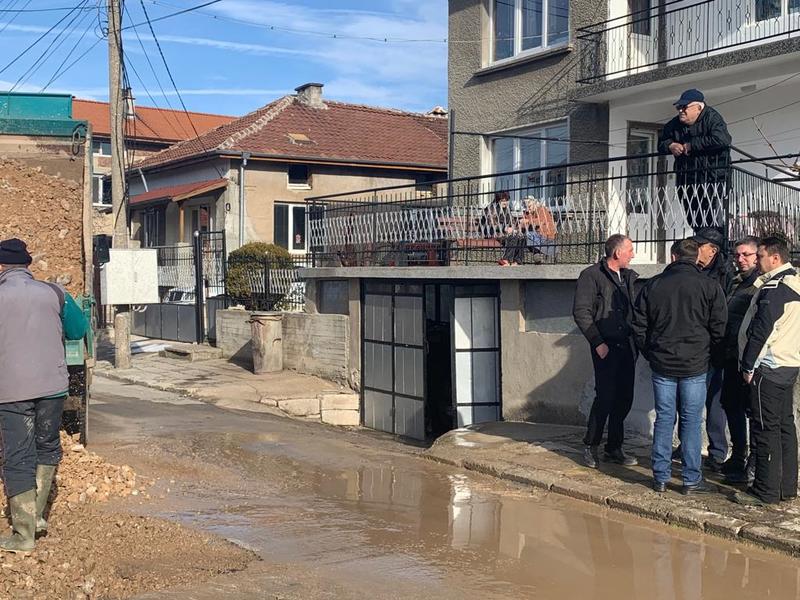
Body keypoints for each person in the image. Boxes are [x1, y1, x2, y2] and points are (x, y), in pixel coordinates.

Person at [0, 238, 88, 552]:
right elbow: (79, 331)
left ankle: (23, 535)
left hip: (11, 390)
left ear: (2, 267)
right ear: (27, 265)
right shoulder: (55, 292)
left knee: (18, 454)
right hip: (53, 387)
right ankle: (37, 518)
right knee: (47, 445)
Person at [632, 238, 727, 494]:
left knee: (664, 419)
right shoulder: (709, 286)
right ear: (696, 257)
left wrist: (650, 353)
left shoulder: (654, 285)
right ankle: (690, 479)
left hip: (663, 361)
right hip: (696, 363)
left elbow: (639, 325)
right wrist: (714, 357)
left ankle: (660, 477)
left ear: (673, 257)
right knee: (691, 420)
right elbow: (719, 327)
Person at [735, 236, 800, 506]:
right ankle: (786, 487)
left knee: (765, 430)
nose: (756, 261)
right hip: (789, 363)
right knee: (785, 426)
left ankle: (766, 490)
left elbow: (761, 332)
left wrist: (748, 365)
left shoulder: (775, 288)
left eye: (759, 256)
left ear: (775, 258)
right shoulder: (794, 282)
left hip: (769, 367)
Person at [572, 234, 639, 468]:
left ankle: (615, 447)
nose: (633, 254)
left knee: (624, 398)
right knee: (605, 397)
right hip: (606, 346)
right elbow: (582, 312)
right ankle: (591, 445)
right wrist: (597, 342)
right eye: (630, 250)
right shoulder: (591, 276)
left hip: (627, 346)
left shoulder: (629, 277)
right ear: (617, 253)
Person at [658, 89, 732, 233]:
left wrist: (692, 145)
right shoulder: (674, 124)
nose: (681, 111)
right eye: (679, 108)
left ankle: (717, 248)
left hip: (713, 177)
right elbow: (662, 142)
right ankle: (701, 244)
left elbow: (723, 139)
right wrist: (670, 145)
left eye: (685, 107)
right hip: (687, 178)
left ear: (698, 108)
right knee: (693, 217)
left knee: (712, 218)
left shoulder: (713, 118)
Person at [720, 236, 761, 484]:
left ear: (758, 257)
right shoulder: (735, 282)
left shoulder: (759, 284)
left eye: (746, 254)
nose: (740, 259)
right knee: (731, 404)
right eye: (737, 255)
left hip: (750, 359)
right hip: (731, 356)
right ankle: (738, 454)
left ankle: (753, 463)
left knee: (753, 411)